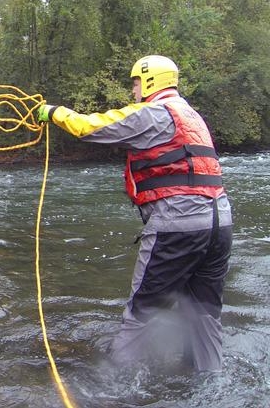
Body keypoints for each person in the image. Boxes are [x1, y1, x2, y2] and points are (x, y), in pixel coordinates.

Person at [37, 55, 232, 372]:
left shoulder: (153, 113)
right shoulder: (191, 114)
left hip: (178, 225)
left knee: (141, 313)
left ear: (150, 80)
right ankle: (210, 380)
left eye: (136, 82)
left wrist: (52, 113)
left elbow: (90, 128)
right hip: (220, 223)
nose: (133, 90)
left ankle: (114, 390)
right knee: (205, 313)